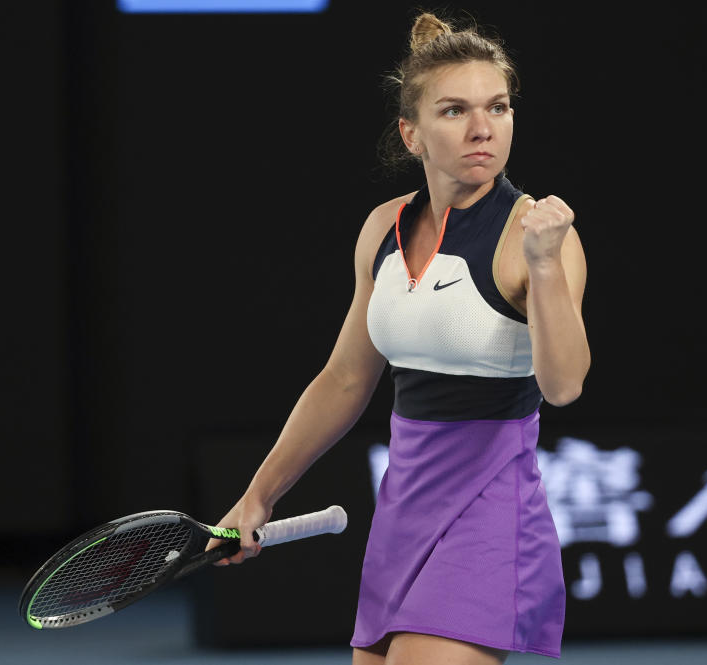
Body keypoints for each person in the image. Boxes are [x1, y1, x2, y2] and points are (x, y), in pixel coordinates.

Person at [206, 11, 590, 665]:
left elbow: (563, 384)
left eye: (497, 106)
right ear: (411, 133)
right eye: (454, 110)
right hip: (402, 511)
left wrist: (547, 266)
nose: (482, 127)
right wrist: (257, 495)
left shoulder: (533, 235)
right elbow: (346, 378)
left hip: (491, 507)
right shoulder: (381, 228)